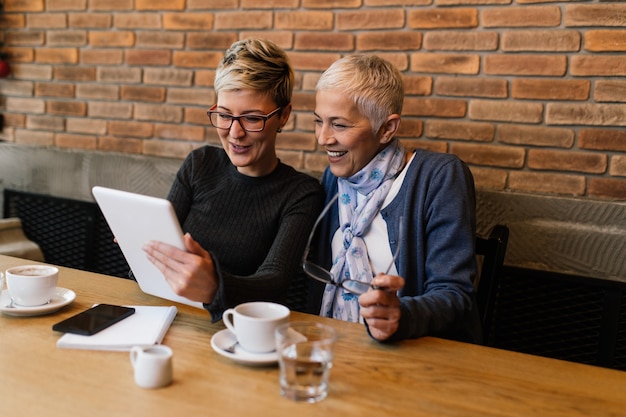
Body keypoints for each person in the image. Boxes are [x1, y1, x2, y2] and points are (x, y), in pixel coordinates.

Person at [142, 39, 324, 321]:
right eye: (225, 115)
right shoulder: (199, 164)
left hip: (239, 332)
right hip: (169, 316)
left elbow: (273, 283)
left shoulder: (301, 193)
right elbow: (159, 255)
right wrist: (141, 248)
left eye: (252, 119)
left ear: (284, 116)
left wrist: (214, 285)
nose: (234, 133)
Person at [307, 54, 481, 343]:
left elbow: (455, 294)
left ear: (387, 128)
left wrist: (402, 313)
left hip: (415, 354)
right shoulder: (333, 177)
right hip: (334, 346)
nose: (323, 138)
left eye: (339, 125)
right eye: (318, 121)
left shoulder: (439, 177)